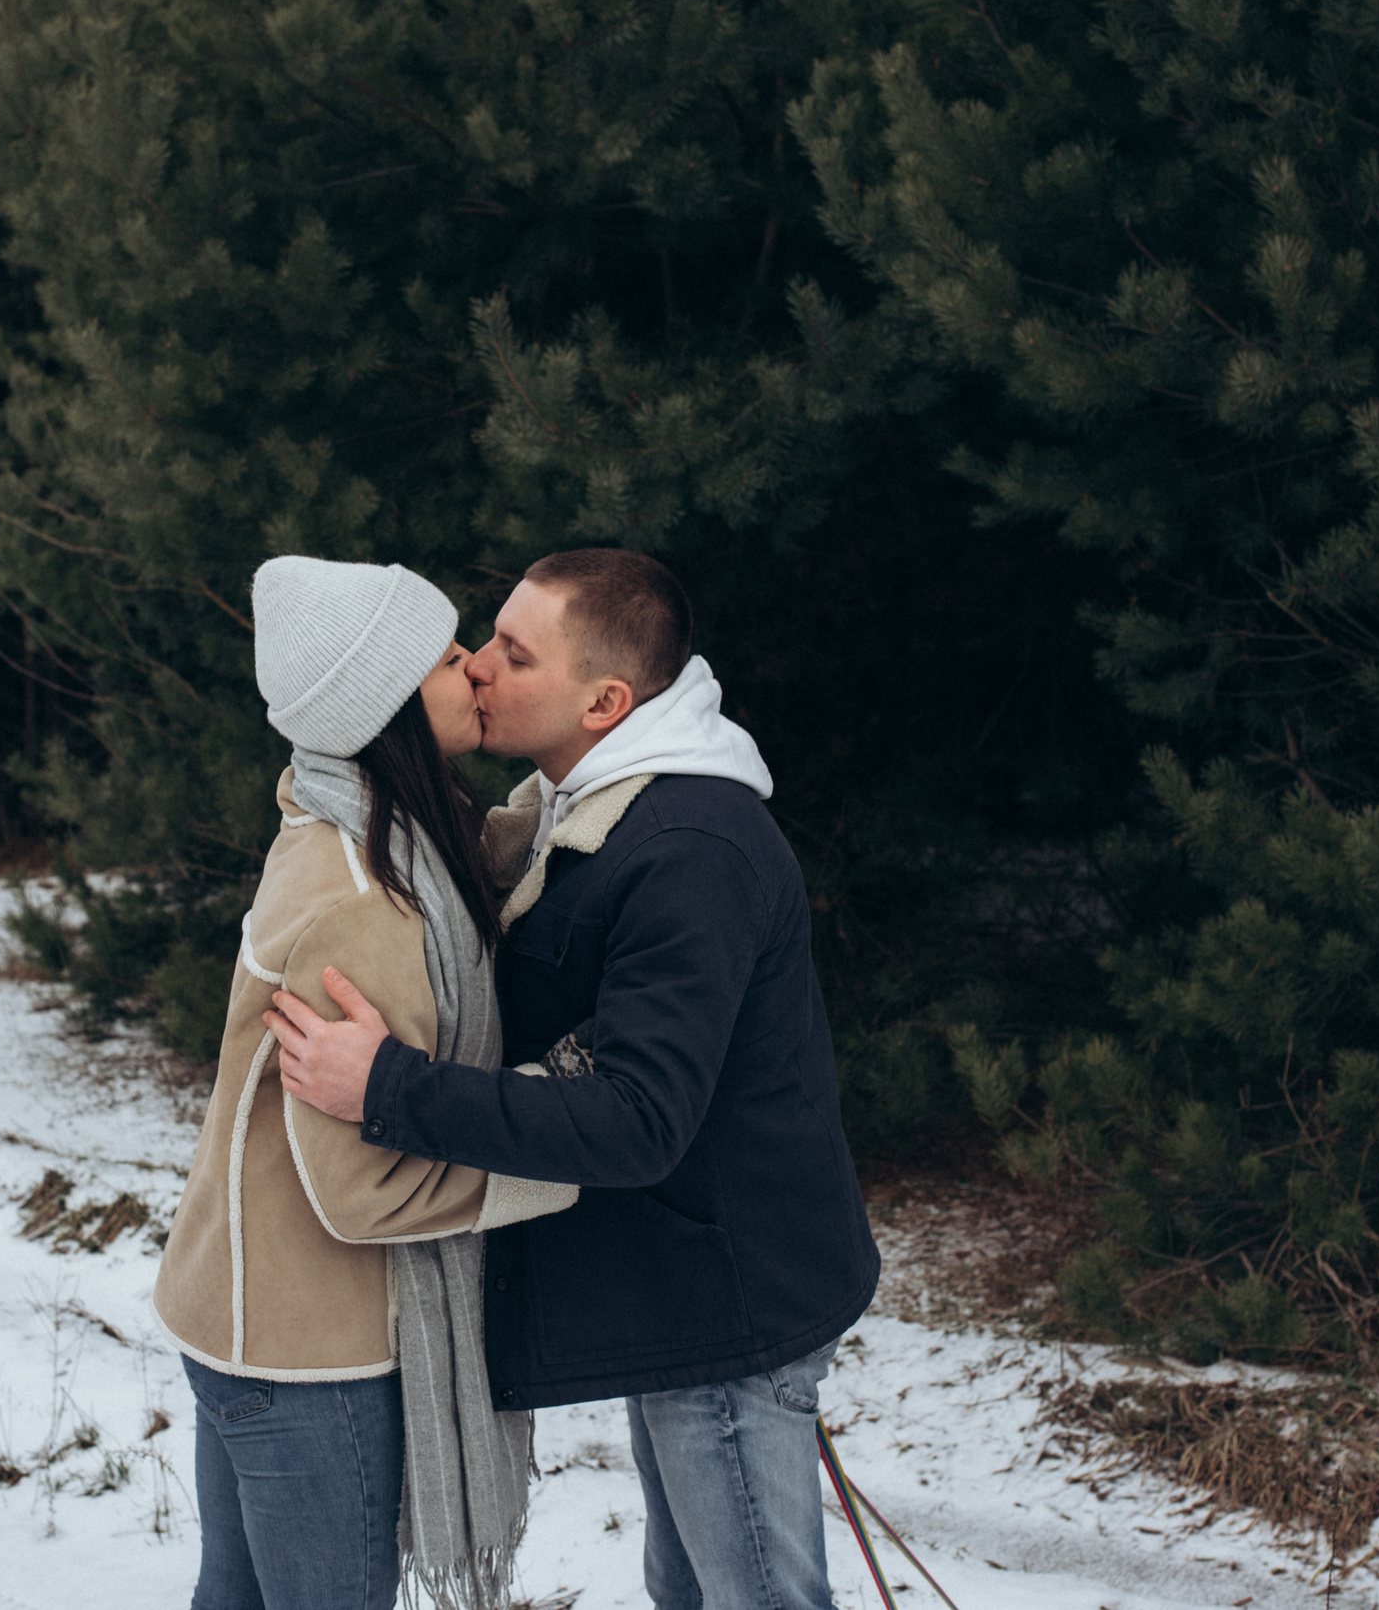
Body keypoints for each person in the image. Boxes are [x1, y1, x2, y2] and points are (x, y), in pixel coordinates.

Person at [268, 548, 882, 1610]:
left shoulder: (688, 848)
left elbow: (639, 1117)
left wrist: (391, 1088)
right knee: (688, 1588)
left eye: (515, 654)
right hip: (684, 1285)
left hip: (729, 1305)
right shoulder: (588, 809)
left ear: (604, 701)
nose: (477, 665)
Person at [152, 555, 579, 1610]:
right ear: (384, 705)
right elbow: (363, 1191)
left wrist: (590, 772)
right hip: (307, 1351)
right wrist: (567, 1155)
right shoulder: (363, 900)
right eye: (446, 656)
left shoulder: (351, 821)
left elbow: (485, 852)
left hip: (244, 1317)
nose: (475, 665)